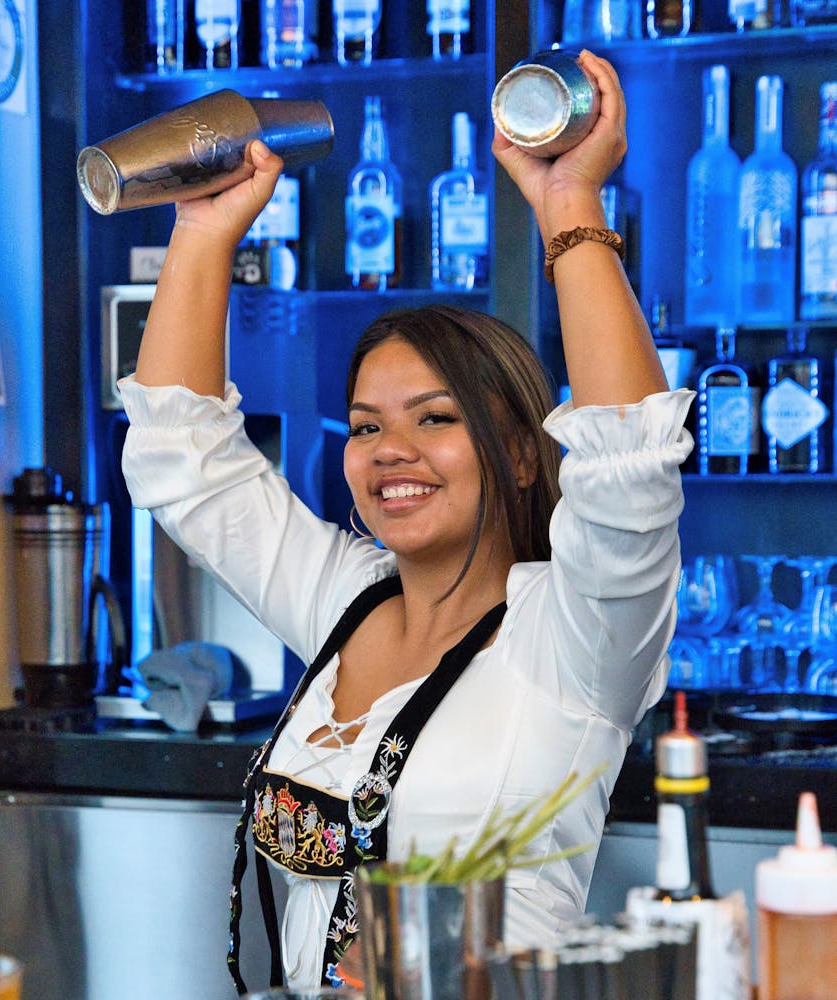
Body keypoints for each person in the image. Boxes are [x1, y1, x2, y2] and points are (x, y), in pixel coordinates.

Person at [119, 50, 694, 993]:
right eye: (364, 427)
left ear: (517, 451)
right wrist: (204, 233)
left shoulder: (575, 638)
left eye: (435, 420)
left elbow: (628, 469)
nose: (390, 451)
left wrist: (568, 207)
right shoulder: (343, 602)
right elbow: (188, 467)